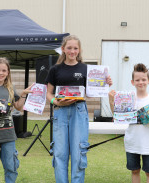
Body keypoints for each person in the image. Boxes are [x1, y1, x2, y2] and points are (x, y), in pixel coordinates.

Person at [46, 35, 112, 183]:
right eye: (69, 48)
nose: (72, 51)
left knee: (78, 152)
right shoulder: (55, 69)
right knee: (60, 153)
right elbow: (48, 93)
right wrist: (55, 102)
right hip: (60, 112)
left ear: (79, 50)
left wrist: (105, 83)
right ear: (63, 49)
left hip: (79, 111)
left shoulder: (86, 68)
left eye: (75, 48)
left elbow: (91, 92)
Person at [109, 63, 149, 183]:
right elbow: (117, 116)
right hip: (132, 141)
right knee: (135, 171)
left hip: (148, 143)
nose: (141, 82)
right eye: (137, 80)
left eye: (143, 79)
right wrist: (111, 101)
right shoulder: (127, 98)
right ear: (132, 82)